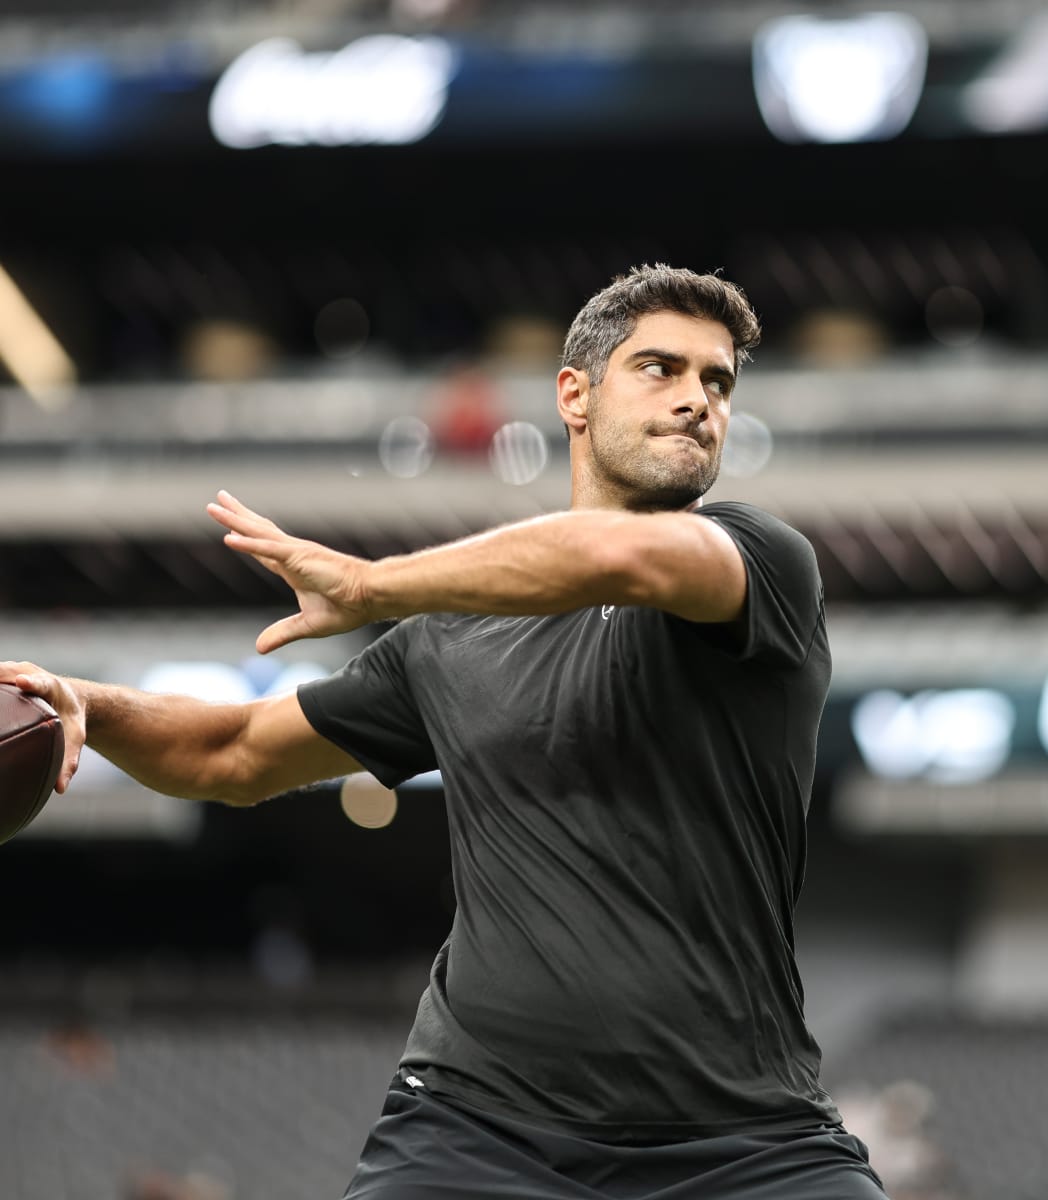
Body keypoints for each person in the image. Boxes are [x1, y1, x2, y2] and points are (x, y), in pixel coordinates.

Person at [1, 264, 890, 1200]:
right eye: (660, 370)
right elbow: (230, 753)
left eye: (717, 382)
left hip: (745, 1137)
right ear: (575, 396)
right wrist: (94, 705)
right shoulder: (452, 640)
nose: (697, 401)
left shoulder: (761, 564)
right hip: (478, 1131)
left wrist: (371, 585)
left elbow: (623, 554)